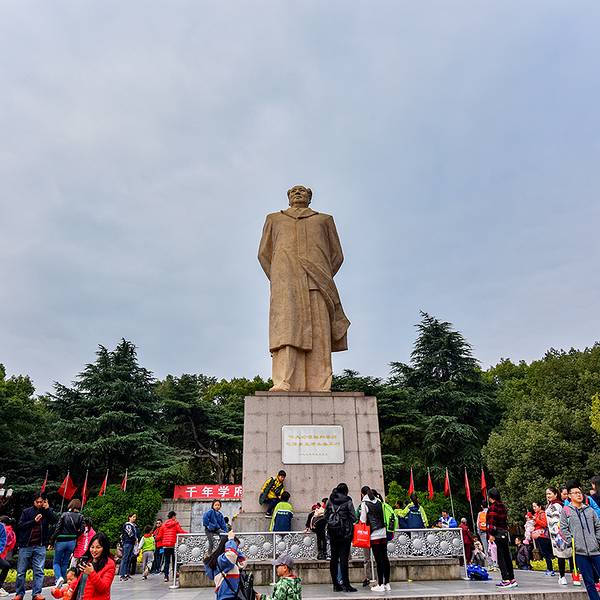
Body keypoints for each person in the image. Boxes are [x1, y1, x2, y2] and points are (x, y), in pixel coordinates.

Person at [258, 185, 350, 392]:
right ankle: (284, 381)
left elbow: (337, 255)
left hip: (317, 283)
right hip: (286, 285)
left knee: (319, 334)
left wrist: (320, 272)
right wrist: (281, 276)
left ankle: (321, 384)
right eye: (293, 191)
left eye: (302, 191)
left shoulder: (324, 220)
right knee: (287, 333)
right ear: (288, 197)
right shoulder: (274, 219)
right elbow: (264, 254)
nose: (297, 193)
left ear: (309, 197)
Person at [560, 480, 600, 600]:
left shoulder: (590, 510)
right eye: (575, 493)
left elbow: (598, 526)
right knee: (589, 581)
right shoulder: (566, 511)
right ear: (569, 495)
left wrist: (597, 540)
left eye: (580, 492)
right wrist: (572, 541)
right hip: (579, 552)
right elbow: (563, 528)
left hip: (595, 550)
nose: (579, 495)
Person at [15, 492, 57, 600]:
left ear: (44, 501)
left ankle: (36, 594)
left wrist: (47, 509)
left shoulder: (47, 512)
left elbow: (55, 521)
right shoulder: (26, 512)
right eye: (37, 502)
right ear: (34, 502)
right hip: (26, 545)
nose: (39, 504)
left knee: (39, 571)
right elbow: (20, 526)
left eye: (41, 502)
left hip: (40, 545)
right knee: (21, 571)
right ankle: (19, 594)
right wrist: (33, 521)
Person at [325, 483, 357, 592]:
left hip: (332, 533)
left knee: (333, 558)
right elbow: (353, 517)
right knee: (344, 559)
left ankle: (335, 584)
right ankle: (346, 585)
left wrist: (333, 522)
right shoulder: (348, 501)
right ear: (346, 491)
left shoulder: (330, 500)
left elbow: (325, 515)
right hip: (345, 534)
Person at [67, 532, 116, 600]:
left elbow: (103, 588)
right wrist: (70, 588)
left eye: (98, 547)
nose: (94, 550)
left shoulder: (109, 564)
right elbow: (81, 581)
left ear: (104, 548)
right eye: (92, 547)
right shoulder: (88, 560)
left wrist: (92, 573)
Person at [360, 487, 390, 593]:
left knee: (378, 560)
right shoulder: (379, 501)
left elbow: (363, 519)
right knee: (385, 558)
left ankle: (380, 584)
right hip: (383, 532)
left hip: (374, 535)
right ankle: (387, 583)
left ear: (363, 494)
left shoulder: (364, 503)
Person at [50, 498, 85, 586]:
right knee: (65, 562)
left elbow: (58, 529)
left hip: (61, 541)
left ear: (71, 505)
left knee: (56, 562)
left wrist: (51, 541)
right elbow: (82, 529)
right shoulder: (81, 517)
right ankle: (61, 581)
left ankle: (59, 578)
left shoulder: (64, 515)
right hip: (72, 542)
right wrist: (75, 534)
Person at [487, 487, 517, 588]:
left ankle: (505, 579)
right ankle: (512, 579)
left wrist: (491, 534)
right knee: (507, 556)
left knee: (500, 558)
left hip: (497, 534)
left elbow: (492, 521)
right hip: (504, 532)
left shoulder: (493, 507)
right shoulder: (502, 506)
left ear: (490, 497)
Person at [204, 530, 247, 600]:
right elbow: (231, 555)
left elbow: (243, 562)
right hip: (227, 596)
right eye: (234, 546)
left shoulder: (230, 562)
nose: (235, 549)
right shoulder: (222, 559)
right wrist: (231, 540)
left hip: (230, 595)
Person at [546, 487, 576, 585]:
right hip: (561, 533)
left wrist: (558, 532)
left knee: (561, 555)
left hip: (558, 534)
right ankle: (574, 575)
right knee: (569, 554)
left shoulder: (555, 505)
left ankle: (562, 576)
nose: (548, 496)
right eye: (547, 494)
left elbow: (556, 520)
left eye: (550, 493)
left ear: (555, 494)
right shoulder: (558, 504)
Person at [155, 510, 186, 582]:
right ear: (173, 516)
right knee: (174, 561)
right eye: (175, 516)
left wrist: (155, 538)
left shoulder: (163, 525)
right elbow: (181, 532)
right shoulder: (176, 524)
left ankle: (166, 577)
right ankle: (174, 575)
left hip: (166, 546)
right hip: (173, 545)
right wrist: (188, 534)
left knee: (167, 562)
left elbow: (160, 536)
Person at [532, 501, 554, 575]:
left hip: (543, 536)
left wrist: (536, 520)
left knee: (546, 553)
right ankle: (549, 569)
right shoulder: (536, 514)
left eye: (535, 506)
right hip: (539, 536)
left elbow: (544, 524)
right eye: (533, 507)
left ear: (540, 507)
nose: (534, 508)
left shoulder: (542, 514)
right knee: (544, 553)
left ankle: (550, 569)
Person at [118, 513, 139, 581]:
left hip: (131, 543)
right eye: (133, 517)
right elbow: (130, 533)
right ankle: (122, 575)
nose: (134, 518)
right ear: (129, 517)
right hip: (127, 543)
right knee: (125, 559)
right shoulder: (127, 525)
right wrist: (135, 539)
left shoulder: (133, 525)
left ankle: (126, 574)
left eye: (135, 517)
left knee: (129, 559)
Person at [0, 516, 16, 597]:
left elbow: (3, 541)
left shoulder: (4, 529)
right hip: (5, 552)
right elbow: (12, 543)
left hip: (2, 552)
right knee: (6, 566)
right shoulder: (11, 531)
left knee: (6, 566)